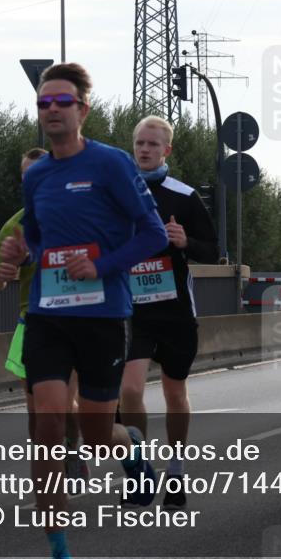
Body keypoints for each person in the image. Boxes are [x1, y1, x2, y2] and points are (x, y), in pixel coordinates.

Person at [0, 63, 168, 559]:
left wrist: (102, 265)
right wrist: (20, 254)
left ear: (82, 110)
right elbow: (37, 235)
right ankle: (59, 552)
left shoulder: (112, 164)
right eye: (43, 103)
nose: (51, 110)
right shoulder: (39, 175)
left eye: (61, 102)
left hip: (103, 315)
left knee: (96, 434)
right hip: (48, 315)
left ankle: (130, 444)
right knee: (47, 422)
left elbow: (153, 236)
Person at [119, 115, 219, 509]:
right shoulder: (118, 192)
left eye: (153, 145)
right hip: (133, 310)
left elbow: (211, 251)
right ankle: (138, 468)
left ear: (167, 150)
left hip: (176, 308)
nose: (145, 149)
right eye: (140, 143)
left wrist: (184, 241)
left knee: (175, 391)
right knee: (129, 389)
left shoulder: (184, 196)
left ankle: (176, 469)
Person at [0, 148, 88, 478]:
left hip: (74, 320)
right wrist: (0, 277)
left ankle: (71, 445)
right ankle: (47, 470)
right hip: (31, 321)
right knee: (35, 407)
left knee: (60, 404)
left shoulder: (80, 216)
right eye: (27, 176)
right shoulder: (14, 227)